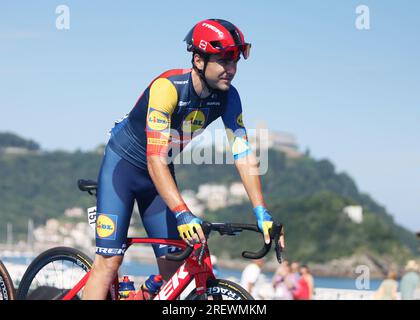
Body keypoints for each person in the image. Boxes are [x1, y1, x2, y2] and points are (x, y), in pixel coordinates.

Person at [82, 19, 284, 299]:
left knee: (174, 270)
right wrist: (182, 212)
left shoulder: (229, 97)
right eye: (224, 60)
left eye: (235, 61)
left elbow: (243, 154)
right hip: (124, 168)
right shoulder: (168, 88)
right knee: (109, 261)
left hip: (159, 175)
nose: (232, 70)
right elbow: (154, 159)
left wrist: (262, 212)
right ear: (199, 60)